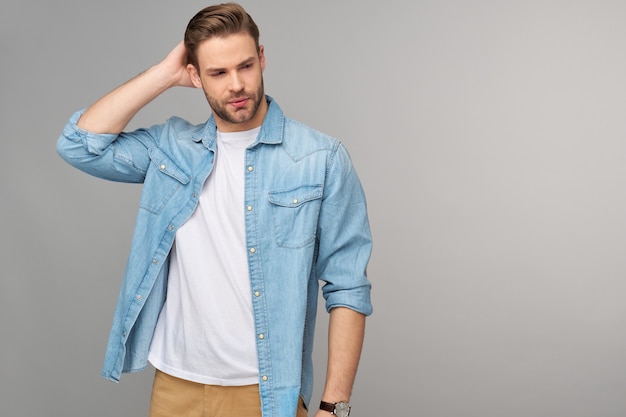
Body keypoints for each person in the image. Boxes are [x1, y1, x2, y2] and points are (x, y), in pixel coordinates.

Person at [56, 3, 372, 417]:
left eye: (245, 66)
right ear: (194, 76)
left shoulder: (321, 158)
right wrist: (163, 75)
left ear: (262, 58)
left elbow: (347, 287)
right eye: (217, 73)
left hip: (264, 392)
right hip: (175, 386)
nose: (237, 85)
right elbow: (78, 145)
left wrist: (334, 406)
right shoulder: (171, 149)